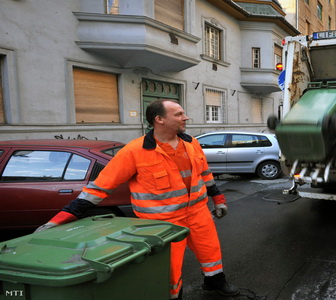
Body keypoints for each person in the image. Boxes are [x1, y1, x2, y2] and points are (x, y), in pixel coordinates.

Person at [36, 99, 239, 299]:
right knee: (169, 268)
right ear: (159, 119)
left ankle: (214, 282)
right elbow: (100, 187)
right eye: (178, 114)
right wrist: (60, 219)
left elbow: (205, 173)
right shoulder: (135, 151)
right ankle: (172, 295)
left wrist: (218, 198)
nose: (185, 117)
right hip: (162, 224)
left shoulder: (191, 142)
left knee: (210, 252)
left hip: (198, 213)